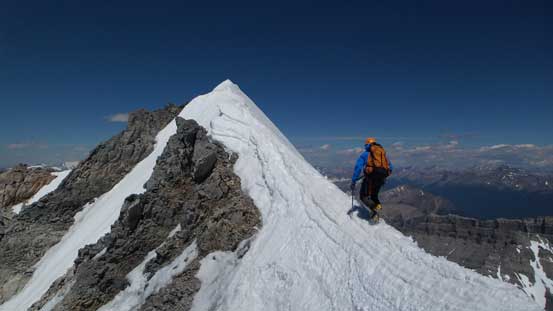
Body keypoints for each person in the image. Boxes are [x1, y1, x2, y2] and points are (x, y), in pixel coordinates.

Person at [350, 137, 393, 221]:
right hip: (381, 178)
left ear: (367, 145)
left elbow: (358, 168)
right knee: (374, 195)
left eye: (365, 145)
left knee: (363, 196)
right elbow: (390, 167)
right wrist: (382, 176)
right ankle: (378, 206)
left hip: (370, 178)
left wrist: (354, 180)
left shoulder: (365, 154)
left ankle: (374, 213)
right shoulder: (382, 154)